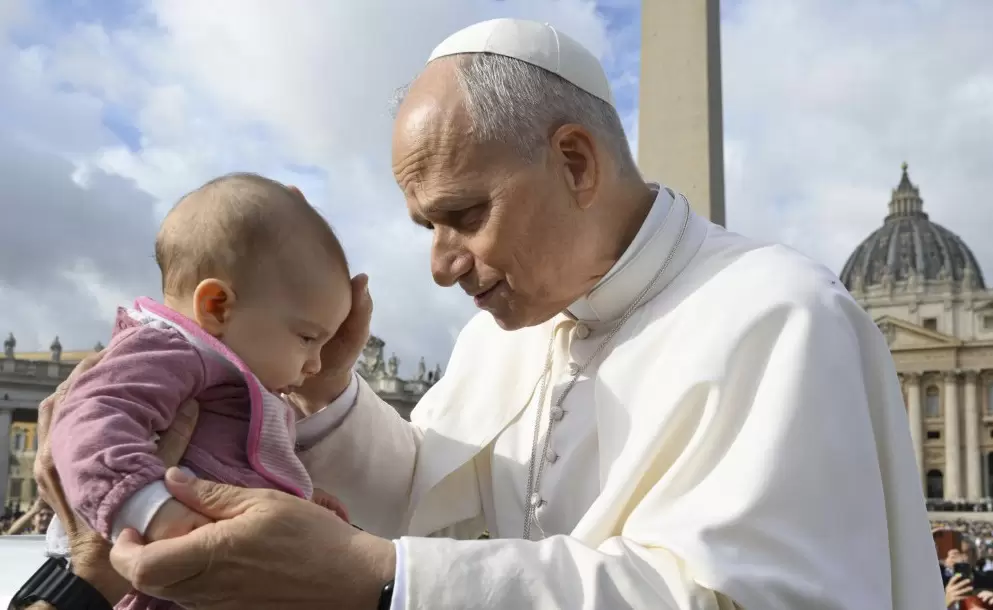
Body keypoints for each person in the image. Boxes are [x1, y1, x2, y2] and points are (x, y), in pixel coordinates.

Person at [21, 17, 943, 610]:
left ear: (576, 162)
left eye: (463, 214)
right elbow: (435, 499)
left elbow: (752, 600)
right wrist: (331, 404)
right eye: (425, 225)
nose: (437, 264)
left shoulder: (778, 316)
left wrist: (387, 582)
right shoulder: (490, 340)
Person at [43, 173, 352, 610]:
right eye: (306, 338)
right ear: (217, 307)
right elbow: (89, 425)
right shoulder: (164, 349)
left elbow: (223, 466)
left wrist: (300, 500)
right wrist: (151, 510)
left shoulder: (227, 376)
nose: (316, 364)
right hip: (156, 586)